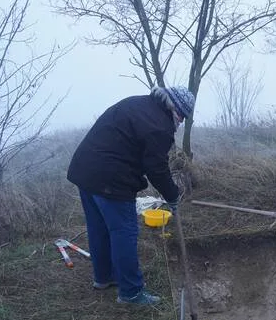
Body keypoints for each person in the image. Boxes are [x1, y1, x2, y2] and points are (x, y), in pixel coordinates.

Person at [67, 86, 195, 306]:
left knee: (99, 228)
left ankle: (104, 278)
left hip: (84, 170)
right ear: (176, 110)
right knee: (124, 232)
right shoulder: (159, 127)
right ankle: (131, 292)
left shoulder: (139, 103)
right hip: (111, 179)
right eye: (182, 117)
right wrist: (172, 195)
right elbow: (156, 168)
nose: (180, 123)